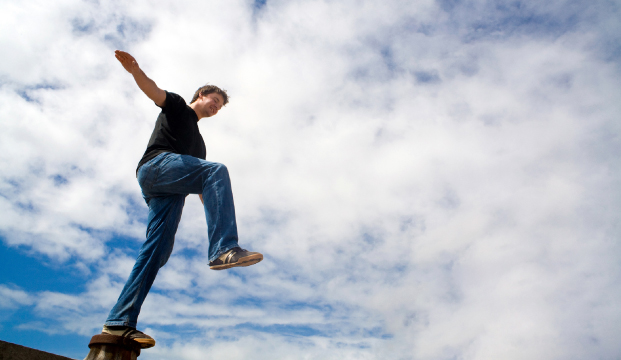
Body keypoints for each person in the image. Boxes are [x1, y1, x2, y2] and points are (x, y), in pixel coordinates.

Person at [100, 50, 263, 348]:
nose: (215, 108)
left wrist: (217, 209)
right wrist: (135, 70)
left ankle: (118, 323)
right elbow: (154, 91)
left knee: (157, 251)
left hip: (170, 189)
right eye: (214, 101)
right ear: (201, 95)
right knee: (217, 170)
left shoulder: (199, 144)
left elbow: (205, 188)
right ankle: (223, 249)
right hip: (156, 167)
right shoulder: (177, 107)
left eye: (219, 108)